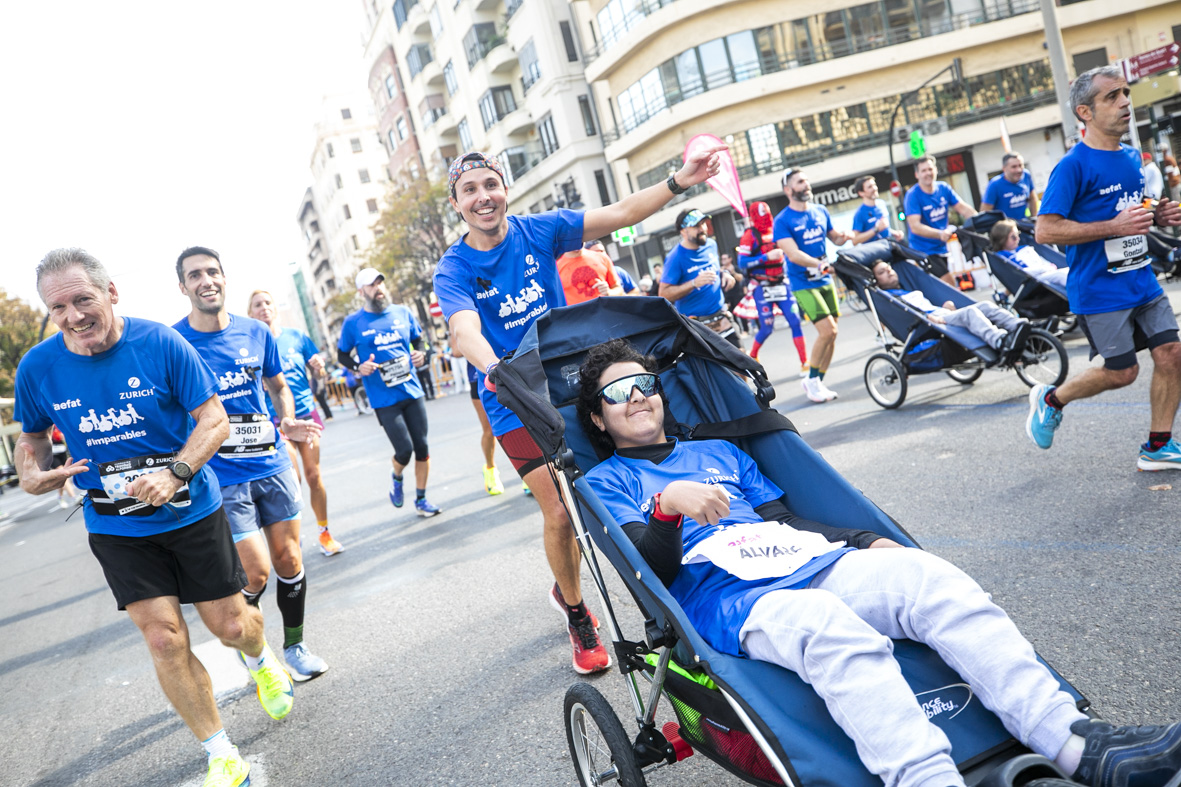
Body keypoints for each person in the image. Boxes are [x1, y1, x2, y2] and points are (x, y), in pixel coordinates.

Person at [577, 337, 1181, 787]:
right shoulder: (609, 480)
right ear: (599, 419)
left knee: (932, 579)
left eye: (646, 383)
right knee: (829, 629)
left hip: (804, 560)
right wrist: (665, 505)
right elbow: (650, 567)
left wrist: (863, 540)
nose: (637, 397)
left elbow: (786, 522)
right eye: (617, 393)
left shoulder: (718, 451)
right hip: (732, 598)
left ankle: (1076, 745)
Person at [433, 143, 726, 675]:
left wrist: (680, 181)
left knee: (619, 488)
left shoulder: (539, 230)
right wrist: (496, 369)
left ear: (505, 190)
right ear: (457, 203)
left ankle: (684, 585)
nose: (483, 197)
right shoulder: (453, 268)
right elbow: (462, 329)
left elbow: (620, 213)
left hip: (569, 385)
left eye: (490, 185)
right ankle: (577, 613)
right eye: (470, 190)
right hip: (512, 400)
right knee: (562, 513)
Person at [15, 248, 294, 787]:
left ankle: (261, 660)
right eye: (58, 309)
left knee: (233, 626)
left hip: (192, 511)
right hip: (117, 524)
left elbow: (213, 419)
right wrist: (32, 473)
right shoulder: (39, 367)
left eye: (83, 300)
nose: (72, 317)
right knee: (164, 639)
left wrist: (176, 473)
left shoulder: (161, 343)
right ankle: (220, 752)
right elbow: (31, 439)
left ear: (111, 293)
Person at [173, 246, 330, 684]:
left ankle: (295, 647)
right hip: (221, 477)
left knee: (289, 558)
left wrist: (288, 419)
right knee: (256, 571)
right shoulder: (175, 342)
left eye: (213, 272)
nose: (206, 280)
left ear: (224, 279)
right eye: (195, 275)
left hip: (271, 463)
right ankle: (256, 651)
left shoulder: (256, 333)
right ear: (183, 286)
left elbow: (278, 385)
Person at [1026, 65, 1181, 469]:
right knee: (1122, 372)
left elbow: (1130, 213)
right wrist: (1113, 227)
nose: (1125, 102)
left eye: (1125, 93)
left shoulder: (1131, 158)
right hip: (1099, 288)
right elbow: (1045, 231)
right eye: (1111, 97)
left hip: (1140, 278)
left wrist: (1158, 216)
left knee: (1172, 353)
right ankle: (1050, 398)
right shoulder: (1073, 165)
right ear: (1085, 112)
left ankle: (1157, 445)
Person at [246, 290, 343, 557]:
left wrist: (318, 367)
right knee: (293, 478)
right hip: (276, 419)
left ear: (275, 308)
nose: (264, 308)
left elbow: (320, 373)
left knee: (314, 476)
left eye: (268, 302)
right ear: (250, 313)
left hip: (305, 413)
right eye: (257, 305)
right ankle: (293, 541)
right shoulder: (250, 344)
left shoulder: (296, 337)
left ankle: (324, 533)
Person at [337, 268, 441, 515]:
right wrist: (358, 367)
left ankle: (421, 499)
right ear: (362, 292)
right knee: (404, 450)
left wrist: (421, 353)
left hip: (411, 390)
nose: (378, 288)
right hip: (383, 398)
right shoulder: (353, 323)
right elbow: (342, 354)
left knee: (422, 447)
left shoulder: (402, 313)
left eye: (380, 283)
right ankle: (397, 477)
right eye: (372, 285)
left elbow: (419, 340)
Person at [774, 168, 855, 403]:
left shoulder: (820, 211)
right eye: (800, 182)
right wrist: (818, 264)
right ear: (788, 190)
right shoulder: (782, 221)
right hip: (803, 284)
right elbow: (793, 253)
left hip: (825, 279)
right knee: (826, 331)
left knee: (833, 334)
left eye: (807, 180)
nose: (806, 185)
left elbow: (835, 238)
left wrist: (845, 236)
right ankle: (811, 380)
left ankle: (817, 381)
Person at [870, 260, 1030, 355]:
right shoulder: (889, 297)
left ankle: (1020, 326)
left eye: (889, 268)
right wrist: (932, 317)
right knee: (971, 312)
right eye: (882, 272)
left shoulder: (905, 290)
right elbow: (912, 314)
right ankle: (999, 340)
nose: (889, 272)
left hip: (942, 313)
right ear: (877, 281)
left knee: (986, 306)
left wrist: (945, 308)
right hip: (931, 322)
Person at [738, 201, 809, 371]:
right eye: (761, 213)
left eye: (766, 212)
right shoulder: (750, 235)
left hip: (781, 283)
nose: (765, 216)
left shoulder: (778, 229)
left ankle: (804, 362)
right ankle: (753, 354)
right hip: (762, 287)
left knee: (795, 321)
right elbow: (742, 262)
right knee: (767, 326)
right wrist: (766, 257)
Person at [659, 208, 740, 347]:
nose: (703, 228)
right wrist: (693, 283)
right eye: (696, 226)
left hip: (722, 317)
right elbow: (664, 293)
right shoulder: (675, 257)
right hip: (697, 326)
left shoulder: (711, 244)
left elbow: (714, 268)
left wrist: (724, 273)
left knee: (743, 364)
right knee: (715, 368)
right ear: (683, 231)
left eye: (703, 223)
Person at [905, 155, 978, 285]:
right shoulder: (913, 195)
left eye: (930, 169)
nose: (928, 173)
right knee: (949, 284)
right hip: (923, 251)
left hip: (941, 248)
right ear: (917, 175)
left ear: (936, 170)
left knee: (941, 289)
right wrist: (939, 234)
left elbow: (962, 208)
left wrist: (979, 220)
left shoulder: (944, 188)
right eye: (923, 170)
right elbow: (915, 226)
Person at [988, 219, 1069, 289]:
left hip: (1046, 273)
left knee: (1069, 271)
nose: (1017, 238)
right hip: (1033, 281)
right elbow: (1021, 273)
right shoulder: (1002, 257)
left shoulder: (1025, 248)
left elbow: (1041, 260)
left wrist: (1048, 266)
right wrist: (1045, 268)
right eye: (1013, 237)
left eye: (1018, 234)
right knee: (1061, 275)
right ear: (1002, 239)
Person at [557, 240, 624, 304]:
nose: (576, 241)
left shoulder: (602, 257)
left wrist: (609, 292)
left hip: (604, 312)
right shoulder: (557, 268)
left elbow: (619, 290)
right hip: (577, 314)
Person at [980, 152, 1040, 220]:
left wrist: (1034, 218)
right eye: (1014, 167)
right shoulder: (995, 184)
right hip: (1005, 227)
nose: (1018, 170)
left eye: (1020, 165)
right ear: (1004, 169)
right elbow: (985, 212)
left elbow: (1032, 198)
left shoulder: (1026, 175)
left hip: (1024, 224)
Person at [851, 175, 904, 244]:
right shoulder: (859, 214)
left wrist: (894, 233)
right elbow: (855, 240)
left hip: (889, 245)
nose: (874, 188)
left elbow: (883, 227)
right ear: (861, 193)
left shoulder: (882, 203)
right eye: (870, 187)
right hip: (874, 252)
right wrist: (875, 229)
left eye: (874, 185)